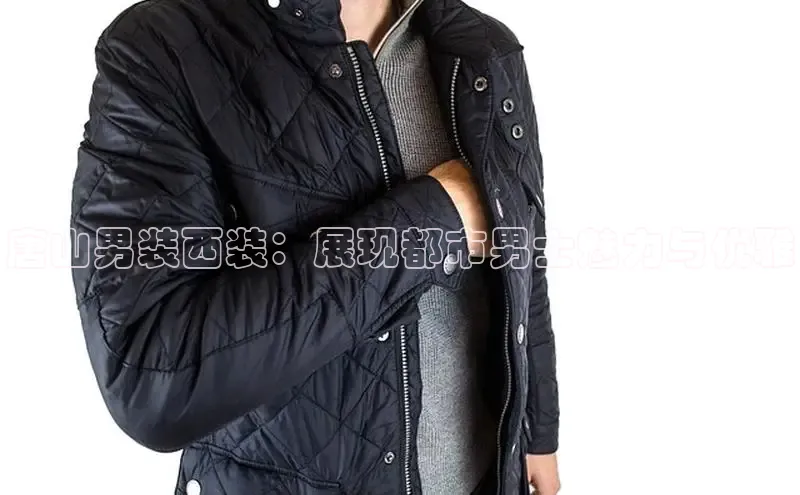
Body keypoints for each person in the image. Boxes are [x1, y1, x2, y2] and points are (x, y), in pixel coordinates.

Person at [70, 0, 560, 493]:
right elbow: (153, 381)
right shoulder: (164, 45)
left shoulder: (482, 46)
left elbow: (523, 255)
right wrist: (434, 222)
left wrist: (538, 429)